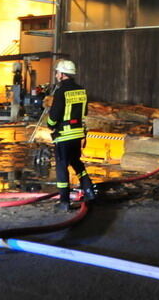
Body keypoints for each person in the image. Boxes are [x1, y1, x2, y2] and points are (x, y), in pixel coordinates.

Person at [46, 59, 96, 210]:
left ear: (62, 74)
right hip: (77, 133)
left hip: (64, 135)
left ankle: (64, 201)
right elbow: (84, 112)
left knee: (62, 167)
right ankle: (89, 191)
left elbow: (54, 116)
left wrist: (50, 125)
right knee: (76, 162)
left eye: (57, 73)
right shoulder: (81, 90)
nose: (56, 75)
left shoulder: (61, 92)